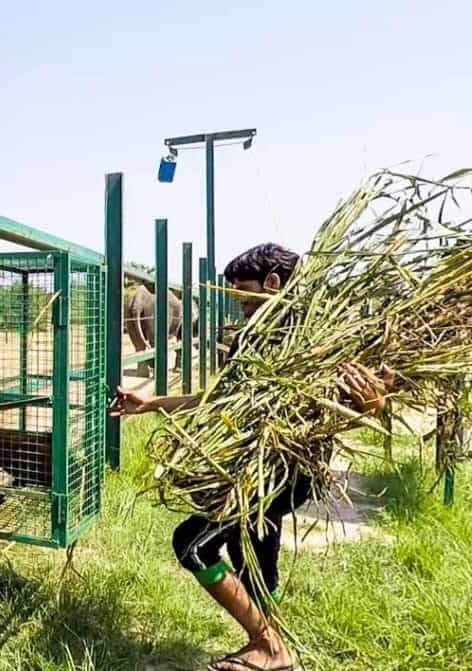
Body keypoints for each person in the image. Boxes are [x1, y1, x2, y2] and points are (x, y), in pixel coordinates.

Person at [111, 243, 394, 671]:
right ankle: (275, 650)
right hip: (253, 466)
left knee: (191, 544)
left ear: (273, 284)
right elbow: (222, 398)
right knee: (254, 552)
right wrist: (149, 404)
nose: (238, 299)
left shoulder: (318, 339)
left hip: (286, 471)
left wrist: (372, 404)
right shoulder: (248, 339)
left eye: (243, 289)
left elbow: (351, 408)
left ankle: (269, 646)